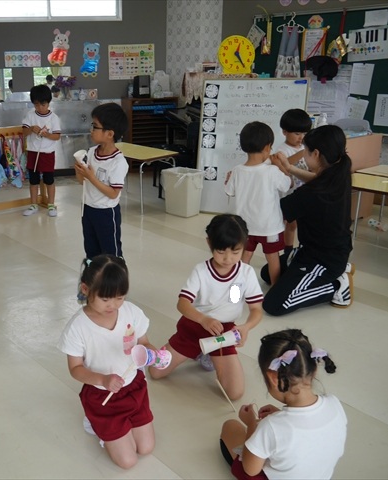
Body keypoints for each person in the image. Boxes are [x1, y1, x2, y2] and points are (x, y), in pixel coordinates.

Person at [57, 255, 166, 469]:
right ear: (86, 289)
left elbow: (144, 342)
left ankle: (120, 429)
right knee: (128, 461)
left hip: (134, 388)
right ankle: (95, 422)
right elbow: (75, 369)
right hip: (102, 396)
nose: (113, 305)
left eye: (120, 298)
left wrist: (154, 355)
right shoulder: (77, 327)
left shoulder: (131, 312)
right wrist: (102, 380)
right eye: (105, 299)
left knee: (146, 448)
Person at [148, 214, 263, 401]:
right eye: (221, 251)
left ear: (245, 245)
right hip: (193, 327)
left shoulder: (246, 273)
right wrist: (203, 319)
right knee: (155, 371)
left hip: (222, 334)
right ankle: (199, 351)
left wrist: (246, 327)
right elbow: (182, 303)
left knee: (234, 393)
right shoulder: (201, 271)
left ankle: (207, 354)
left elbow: (256, 310)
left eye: (236, 252)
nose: (228, 259)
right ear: (209, 243)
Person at [220, 328, 347, 479]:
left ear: (273, 379)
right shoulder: (334, 403)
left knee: (230, 426)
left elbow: (250, 469)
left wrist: (252, 424)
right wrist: (279, 415)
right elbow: (308, 434)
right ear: (314, 370)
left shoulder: (270, 427)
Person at [261, 125, 354, 315]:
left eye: (306, 151)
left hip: (324, 260)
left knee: (274, 304)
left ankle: (337, 285)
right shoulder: (340, 172)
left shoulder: (309, 194)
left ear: (316, 154)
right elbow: (317, 180)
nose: (303, 155)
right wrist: (289, 168)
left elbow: (275, 212)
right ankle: (339, 269)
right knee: (267, 273)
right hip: (317, 250)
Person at [224, 121, 292, 285]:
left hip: (244, 227)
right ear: (268, 147)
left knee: (244, 256)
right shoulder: (272, 171)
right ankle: (275, 289)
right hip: (269, 227)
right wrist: (282, 167)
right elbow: (288, 185)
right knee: (272, 258)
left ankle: (237, 289)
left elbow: (229, 191)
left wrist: (227, 180)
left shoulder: (237, 170)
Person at [74, 103, 129, 261]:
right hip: (88, 209)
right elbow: (82, 182)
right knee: (91, 252)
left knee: (111, 254)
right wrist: (80, 170)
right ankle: (94, 275)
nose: (91, 130)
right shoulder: (91, 152)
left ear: (110, 133)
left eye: (95, 126)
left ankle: (115, 277)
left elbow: (113, 194)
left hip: (106, 213)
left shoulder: (118, 162)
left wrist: (91, 176)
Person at [272, 109, 315, 255]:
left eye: (304, 134)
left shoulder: (305, 147)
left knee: (302, 224)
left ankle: (299, 249)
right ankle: (287, 251)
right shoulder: (282, 149)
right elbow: (283, 164)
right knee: (290, 224)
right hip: (289, 194)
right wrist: (302, 153)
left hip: (304, 193)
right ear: (284, 132)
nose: (301, 137)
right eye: (297, 133)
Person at [21, 84, 62, 217]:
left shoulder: (54, 118)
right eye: (36, 105)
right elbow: (24, 132)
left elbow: (57, 136)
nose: (40, 108)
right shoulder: (30, 115)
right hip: (33, 152)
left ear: (48, 103)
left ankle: (51, 204)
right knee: (33, 180)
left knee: (49, 179)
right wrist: (31, 128)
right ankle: (33, 205)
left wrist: (47, 135)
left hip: (47, 153)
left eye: (43, 104)